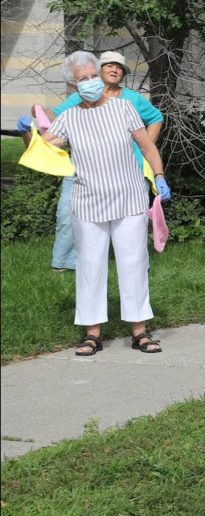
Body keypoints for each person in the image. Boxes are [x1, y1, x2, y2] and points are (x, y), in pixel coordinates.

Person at [39, 51, 171, 355]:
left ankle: (140, 331)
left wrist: (160, 175)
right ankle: (92, 334)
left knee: (134, 263)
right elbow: (43, 153)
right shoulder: (70, 117)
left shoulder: (124, 108)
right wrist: (26, 133)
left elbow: (148, 147)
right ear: (74, 86)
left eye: (92, 76)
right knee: (90, 266)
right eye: (82, 79)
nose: (89, 82)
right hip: (87, 203)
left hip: (129, 198)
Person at [16, 51, 164, 272]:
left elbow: (151, 130)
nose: (114, 69)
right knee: (72, 219)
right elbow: (51, 133)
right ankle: (67, 263)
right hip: (84, 176)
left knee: (131, 226)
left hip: (128, 175)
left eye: (119, 66)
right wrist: (30, 130)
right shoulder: (74, 107)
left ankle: (136, 266)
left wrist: (150, 161)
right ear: (76, 85)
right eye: (109, 66)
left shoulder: (128, 103)